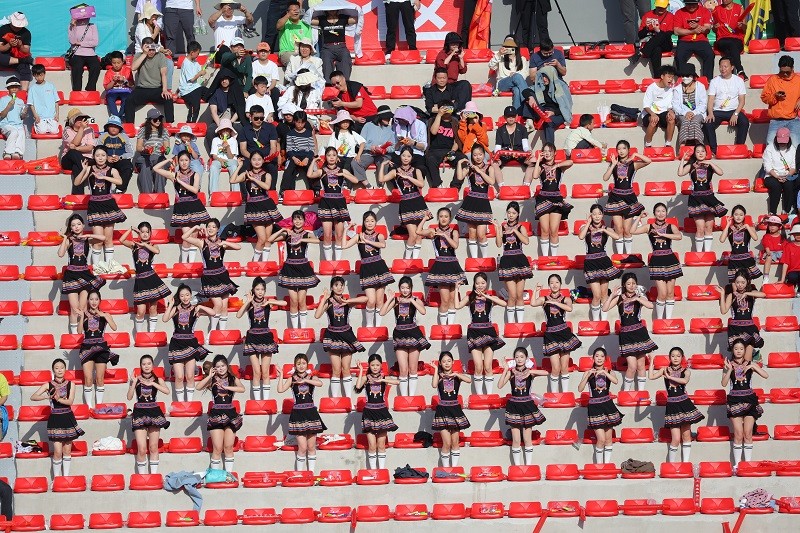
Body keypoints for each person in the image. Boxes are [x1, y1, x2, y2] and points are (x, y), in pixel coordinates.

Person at [182, 219, 241, 331]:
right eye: (208, 226)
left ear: (218, 229)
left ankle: (222, 332)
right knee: (218, 304)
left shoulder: (221, 242)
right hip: (210, 278)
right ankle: (213, 331)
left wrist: (225, 243)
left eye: (213, 227)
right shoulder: (202, 242)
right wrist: (195, 228)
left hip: (223, 276)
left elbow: (238, 247)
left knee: (224, 306)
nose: (210, 229)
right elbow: (184, 237)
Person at [603, 272, 658, 391]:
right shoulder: (619, 298)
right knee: (632, 366)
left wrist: (638, 298)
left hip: (640, 333)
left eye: (633, 283)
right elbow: (605, 308)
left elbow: (651, 306)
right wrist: (612, 295)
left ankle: (641, 393)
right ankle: (626, 392)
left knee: (641, 365)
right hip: (626, 335)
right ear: (624, 285)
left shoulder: (640, 297)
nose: (631, 286)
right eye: (629, 283)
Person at [30, 359, 84, 478]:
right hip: (55, 419)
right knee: (58, 451)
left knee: (67, 451)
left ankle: (65, 477)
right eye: (56, 368)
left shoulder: (71, 384)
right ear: (53, 370)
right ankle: (57, 478)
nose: (59, 370)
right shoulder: (48, 385)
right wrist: (46, 397)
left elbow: (70, 401)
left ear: (65, 369)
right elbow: (33, 397)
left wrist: (58, 399)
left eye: (62, 367)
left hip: (68, 418)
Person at [73, 147, 127, 268]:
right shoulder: (90, 169)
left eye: (103, 155)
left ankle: (109, 267)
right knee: (98, 240)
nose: (100, 158)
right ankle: (96, 267)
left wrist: (104, 177)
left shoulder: (112, 170)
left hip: (109, 205)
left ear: (107, 157)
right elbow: (76, 183)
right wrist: (83, 170)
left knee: (108, 239)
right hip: (94, 205)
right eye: (97, 155)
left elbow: (120, 182)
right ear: (94, 157)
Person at [649, 347, 704, 463]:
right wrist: (652, 361)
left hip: (685, 404)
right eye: (673, 356)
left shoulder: (686, 371)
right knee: (676, 438)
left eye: (678, 356)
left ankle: (686, 463)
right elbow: (651, 377)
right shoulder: (664, 370)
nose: (675, 358)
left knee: (686, 436)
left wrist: (669, 377)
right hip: (672, 406)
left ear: (682, 357)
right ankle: (672, 464)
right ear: (669, 357)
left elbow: (685, 381)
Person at [454, 273, 507, 394]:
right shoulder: (470, 297)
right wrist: (457, 289)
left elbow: (504, 303)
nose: (480, 285)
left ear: (486, 284)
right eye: (477, 283)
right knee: (478, 367)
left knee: (488, 367)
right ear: (474, 284)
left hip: (489, 332)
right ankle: (478, 395)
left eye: (483, 283)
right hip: (474, 333)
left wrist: (487, 296)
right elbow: (457, 306)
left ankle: (488, 395)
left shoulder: (490, 297)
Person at [315, 278, 367, 398]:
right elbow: (317, 315)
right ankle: (334, 399)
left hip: (347, 335)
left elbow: (366, 299)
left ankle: (348, 399)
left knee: (346, 369)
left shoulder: (347, 301)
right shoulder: (328, 302)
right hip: (332, 336)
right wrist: (324, 299)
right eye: (336, 285)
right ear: (332, 287)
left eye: (342, 285)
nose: (339, 287)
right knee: (336, 370)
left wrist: (348, 301)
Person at [380, 277, 431, 396]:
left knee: (413, 369)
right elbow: (382, 312)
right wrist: (390, 299)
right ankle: (403, 397)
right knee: (403, 369)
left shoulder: (415, 299)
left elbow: (423, 311)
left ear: (411, 288)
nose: (405, 290)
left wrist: (412, 301)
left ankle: (411, 396)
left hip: (414, 334)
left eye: (407, 288)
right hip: (399, 335)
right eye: (402, 288)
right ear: (399, 288)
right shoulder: (396, 300)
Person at [237, 277, 285, 400]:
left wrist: (270, 302)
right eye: (257, 289)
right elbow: (238, 315)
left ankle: (266, 401)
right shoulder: (250, 303)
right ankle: (257, 402)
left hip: (266, 338)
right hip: (252, 338)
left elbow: (284, 303)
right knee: (256, 372)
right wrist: (248, 301)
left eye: (262, 289)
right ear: (253, 290)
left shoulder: (268, 302)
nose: (260, 292)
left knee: (265, 372)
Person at [378, 146, 431, 258]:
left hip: (418, 202)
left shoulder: (416, 170)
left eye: (408, 156)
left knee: (419, 234)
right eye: (403, 155)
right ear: (400, 156)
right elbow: (381, 179)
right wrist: (382, 165)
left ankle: (415, 260)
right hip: (406, 204)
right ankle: (407, 260)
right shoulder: (395, 171)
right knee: (413, 235)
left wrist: (408, 177)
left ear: (412, 158)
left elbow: (421, 184)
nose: (406, 158)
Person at [632, 203, 684, 319]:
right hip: (657, 261)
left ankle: (668, 320)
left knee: (670, 293)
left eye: (663, 211)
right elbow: (632, 231)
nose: (661, 213)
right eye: (658, 211)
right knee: (662, 293)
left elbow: (679, 236)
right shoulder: (649, 227)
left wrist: (662, 234)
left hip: (671, 260)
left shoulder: (671, 226)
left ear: (666, 213)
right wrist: (639, 217)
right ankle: (659, 320)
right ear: (654, 213)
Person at [162, 284, 213, 401]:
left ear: (190, 295)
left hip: (191, 344)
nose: (185, 298)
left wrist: (201, 306)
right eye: (182, 295)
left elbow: (213, 312)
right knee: (179, 377)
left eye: (187, 295)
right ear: (179, 297)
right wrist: (171, 305)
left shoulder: (195, 308)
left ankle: (189, 402)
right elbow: (164, 319)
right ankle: (180, 403)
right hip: (176, 344)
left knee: (190, 376)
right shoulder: (176, 309)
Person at [531, 274, 582, 392]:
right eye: (552, 283)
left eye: (557, 282)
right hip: (550, 335)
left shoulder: (566, 299)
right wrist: (535, 290)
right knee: (555, 368)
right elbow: (533, 303)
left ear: (560, 284)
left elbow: (569, 308)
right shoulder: (544, 299)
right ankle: (554, 394)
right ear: (549, 285)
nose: (554, 285)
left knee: (564, 367)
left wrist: (555, 303)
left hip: (564, 334)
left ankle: (564, 393)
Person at [271, 210, 321, 328]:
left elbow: (317, 240)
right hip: (290, 269)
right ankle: (294, 330)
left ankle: (302, 329)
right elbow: (269, 240)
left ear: (304, 221)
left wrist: (302, 240)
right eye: (295, 219)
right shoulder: (287, 234)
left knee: (301, 301)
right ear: (292, 221)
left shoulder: (307, 234)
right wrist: (282, 230)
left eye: (300, 219)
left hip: (304, 269)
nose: (298, 221)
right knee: (293, 301)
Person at [498, 347, 548, 465]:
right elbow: (500, 385)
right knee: (516, 439)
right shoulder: (511, 372)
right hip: (514, 406)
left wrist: (531, 372)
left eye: (522, 357)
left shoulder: (530, 372)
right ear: (514, 359)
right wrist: (505, 369)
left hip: (527, 406)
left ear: (526, 358)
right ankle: (517, 466)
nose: (519, 359)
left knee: (527, 438)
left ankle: (528, 466)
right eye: (517, 357)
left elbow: (546, 372)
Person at [723, 339, 768, 468]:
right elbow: (724, 383)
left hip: (749, 400)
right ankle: (737, 465)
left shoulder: (750, 364)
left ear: (745, 351)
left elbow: (766, 375)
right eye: (736, 348)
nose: (738, 351)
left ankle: (747, 464)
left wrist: (754, 366)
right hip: (734, 401)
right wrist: (729, 370)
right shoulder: (728, 364)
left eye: (741, 349)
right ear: (732, 350)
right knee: (738, 433)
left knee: (748, 433)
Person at [278, 353, 327, 472]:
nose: (301, 366)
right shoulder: (292, 379)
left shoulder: (312, 377)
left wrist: (306, 380)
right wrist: (281, 376)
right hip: (298, 415)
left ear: (307, 364)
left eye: (304, 363)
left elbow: (320, 383)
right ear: (295, 365)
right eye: (299, 364)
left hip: (311, 414)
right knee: (302, 447)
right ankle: (299, 474)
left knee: (311, 447)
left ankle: (311, 473)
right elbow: (280, 390)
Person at [309, 147, 360, 260]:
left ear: (337, 157)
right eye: (329, 155)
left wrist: (344, 175)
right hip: (326, 203)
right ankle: (328, 262)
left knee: (339, 235)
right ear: (326, 157)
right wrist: (314, 161)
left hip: (339, 203)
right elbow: (309, 175)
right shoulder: (322, 171)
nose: (331, 157)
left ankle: (337, 262)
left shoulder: (342, 170)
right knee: (327, 235)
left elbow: (356, 180)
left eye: (334, 155)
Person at [343, 211, 394, 325]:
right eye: (367, 221)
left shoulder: (379, 235)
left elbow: (383, 245)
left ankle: (378, 327)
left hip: (380, 268)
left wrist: (366, 241)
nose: (369, 223)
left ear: (375, 222)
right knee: (371, 300)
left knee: (379, 301)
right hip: (366, 269)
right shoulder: (358, 236)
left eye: (372, 221)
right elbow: (344, 246)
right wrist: (346, 230)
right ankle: (369, 326)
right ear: (364, 222)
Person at [230, 153, 282, 262]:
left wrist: (253, 179)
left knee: (268, 239)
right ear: (250, 161)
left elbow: (267, 187)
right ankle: (255, 263)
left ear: (263, 161)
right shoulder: (246, 174)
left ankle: (264, 263)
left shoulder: (267, 175)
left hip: (267, 206)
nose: (257, 161)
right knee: (261, 238)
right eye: (254, 159)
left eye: (259, 159)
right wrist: (239, 166)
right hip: (254, 208)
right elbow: (232, 180)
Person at [197, 355, 245, 473]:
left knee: (228, 447)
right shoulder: (212, 379)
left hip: (230, 414)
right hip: (216, 415)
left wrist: (227, 387)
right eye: (218, 366)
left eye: (223, 366)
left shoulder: (232, 378)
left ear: (227, 366)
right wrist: (209, 376)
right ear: (214, 368)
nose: (221, 368)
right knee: (217, 448)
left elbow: (242, 389)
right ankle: (215, 475)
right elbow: (198, 387)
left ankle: (228, 474)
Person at [120, 223, 171, 333]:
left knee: (153, 308)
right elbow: (121, 240)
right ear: (139, 233)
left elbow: (157, 251)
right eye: (142, 232)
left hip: (151, 279)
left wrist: (144, 245)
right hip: (140, 280)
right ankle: (138, 334)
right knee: (141, 311)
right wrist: (130, 229)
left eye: (147, 232)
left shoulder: (153, 245)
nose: (144, 234)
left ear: (150, 233)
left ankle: (151, 333)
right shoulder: (134, 245)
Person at [602, 140, 651, 254]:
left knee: (627, 230)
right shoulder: (614, 163)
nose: (621, 151)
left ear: (628, 150)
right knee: (618, 229)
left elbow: (648, 161)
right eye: (619, 149)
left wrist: (635, 155)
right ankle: (620, 255)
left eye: (624, 148)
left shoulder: (633, 164)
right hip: (615, 198)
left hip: (629, 198)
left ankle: (627, 255)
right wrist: (613, 164)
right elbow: (605, 178)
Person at [58, 214, 105, 334]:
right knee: (74, 309)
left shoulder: (87, 239)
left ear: (83, 225)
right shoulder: (69, 240)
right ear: (70, 227)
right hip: (71, 276)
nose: (76, 227)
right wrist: (65, 238)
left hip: (84, 275)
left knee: (83, 308)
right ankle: (74, 335)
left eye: (79, 224)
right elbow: (60, 254)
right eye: (73, 225)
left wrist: (89, 235)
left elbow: (103, 238)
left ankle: (82, 334)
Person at [422, 207, 467, 324]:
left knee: (452, 300)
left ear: (450, 218)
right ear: (438, 218)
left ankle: (450, 326)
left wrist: (445, 235)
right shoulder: (433, 231)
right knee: (445, 300)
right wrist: (424, 219)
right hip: (441, 267)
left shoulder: (454, 232)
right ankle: (442, 327)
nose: (443, 219)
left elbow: (455, 245)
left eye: (446, 216)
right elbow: (418, 232)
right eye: (441, 216)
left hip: (453, 266)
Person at [578, 348, 622, 464]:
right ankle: (599, 465)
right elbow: (580, 389)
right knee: (601, 439)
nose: (599, 358)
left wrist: (605, 372)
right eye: (597, 356)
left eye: (602, 356)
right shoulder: (588, 372)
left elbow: (616, 381)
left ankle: (606, 465)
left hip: (608, 406)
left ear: (605, 359)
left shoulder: (609, 371)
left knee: (608, 439)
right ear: (593, 358)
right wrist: (588, 376)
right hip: (594, 407)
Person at [679, 144, 727, 252]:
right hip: (696, 199)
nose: (700, 153)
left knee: (709, 228)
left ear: (706, 153)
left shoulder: (709, 165)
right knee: (700, 228)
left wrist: (710, 162)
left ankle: (708, 253)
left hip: (709, 198)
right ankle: (700, 254)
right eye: (698, 151)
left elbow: (721, 172)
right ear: (695, 154)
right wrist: (683, 159)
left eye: (702, 151)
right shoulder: (691, 166)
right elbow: (680, 173)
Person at [355, 354, 399, 468]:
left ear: (381, 366)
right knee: (372, 445)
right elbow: (358, 386)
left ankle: (381, 470)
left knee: (381, 445)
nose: (375, 367)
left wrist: (383, 379)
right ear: (369, 365)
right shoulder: (366, 377)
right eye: (373, 365)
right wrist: (361, 370)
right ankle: (373, 470)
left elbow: (397, 382)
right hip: (369, 413)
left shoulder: (384, 377)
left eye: (377, 365)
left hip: (382, 412)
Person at [154, 152, 210, 242]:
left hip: (195, 206)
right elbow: (155, 168)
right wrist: (168, 160)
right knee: (187, 237)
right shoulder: (174, 175)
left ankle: (193, 252)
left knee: (194, 237)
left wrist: (180, 181)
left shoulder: (195, 174)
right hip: (182, 207)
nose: (184, 163)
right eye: (181, 160)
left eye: (186, 160)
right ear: (178, 162)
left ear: (190, 161)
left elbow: (195, 190)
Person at [128, 354, 170, 474]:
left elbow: (167, 391)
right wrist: (133, 383)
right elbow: (129, 397)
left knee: (153, 447)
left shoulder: (158, 379)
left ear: (153, 365)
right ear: (140, 366)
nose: (146, 366)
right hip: (139, 413)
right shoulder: (136, 379)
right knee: (141, 449)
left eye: (149, 363)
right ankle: (142, 477)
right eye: (144, 364)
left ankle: (154, 476)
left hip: (154, 412)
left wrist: (153, 384)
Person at [77, 291, 120, 408]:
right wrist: (82, 317)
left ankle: (99, 406)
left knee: (100, 378)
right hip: (87, 348)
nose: (94, 302)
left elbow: (114, 327)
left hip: (101, 348)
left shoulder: (105, 314)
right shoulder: (83, 314)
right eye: (91, 299)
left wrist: (104, 315)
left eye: (96, 299)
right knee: (88, 378)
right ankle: (89, 407)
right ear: (88, 301)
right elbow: (79, 332)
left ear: (100, 300)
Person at [579, 205, 622, 321]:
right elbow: (581, 236)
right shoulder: (585, 227)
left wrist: (604, 230)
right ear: (591, 215)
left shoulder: (606, 228)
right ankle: (595, 321)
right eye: (594, 214)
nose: (597, 216)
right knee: (596, 295)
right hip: (590, 263)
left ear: (602, 215)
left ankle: (603, 322)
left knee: (604, 295)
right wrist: (588, 223)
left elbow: (617, 236)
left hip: (603, 262)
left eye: (599, 214)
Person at [530, 142, 573, 256]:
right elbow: (535, 176)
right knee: (544, 230)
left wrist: (557, 166)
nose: (547, 153)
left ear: (554, 153)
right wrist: (538, 161)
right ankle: (545, 257)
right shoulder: (541, 166)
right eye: (545, 151)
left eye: (549, 151)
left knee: (554, 231)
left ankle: (554, 257)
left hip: (556, 200)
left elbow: (571, 162)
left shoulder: (560, 167)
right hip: (543, 199)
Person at [431, 351, 471, 467]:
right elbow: (434, 385)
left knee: (455, 442)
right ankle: (445, 469)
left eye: (449, 361)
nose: (447, 363)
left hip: (455, 411)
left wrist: (456, 374)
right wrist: (435, 370)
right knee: (447, 443)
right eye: (444, 361)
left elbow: (469, 380)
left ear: (453, 362)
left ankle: (454, 468)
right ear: (440, 363)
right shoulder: (439, 376)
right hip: (442, 411)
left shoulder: (457, 376)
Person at [494, 202, 532, 323]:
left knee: (519, 295)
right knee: (512, 295)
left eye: (513, 213)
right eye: (509, 212)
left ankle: (519, 324)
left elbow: (526, 241)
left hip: (520, 261)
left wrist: (515, 231)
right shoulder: (503, 227)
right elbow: (498, 244)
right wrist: (497, 229)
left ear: (517, 214)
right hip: (507, 261)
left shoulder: (521, 227)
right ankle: (510, 324)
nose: (511, 215)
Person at [455, 145, 496, 258]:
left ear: (484, 155)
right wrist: (459, 163)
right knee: (472, 234)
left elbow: (492, 181)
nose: (478, 157)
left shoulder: (489, 168)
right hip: (471, 202)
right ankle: (474, 259)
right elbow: (459, 177)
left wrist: (480, 172)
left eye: (480, 154)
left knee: (481, 234)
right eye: (475, 155)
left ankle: (484, 259)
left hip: (483, 202)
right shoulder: (470, 168)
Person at [704, 57, 749, 155]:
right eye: (721, 67)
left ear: (732, 67)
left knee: (744, 122)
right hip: (717, 111)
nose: (723, 69)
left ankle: (739, 147)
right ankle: (713, 150)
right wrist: (710, 113)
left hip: (733, 110)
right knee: (708, 123)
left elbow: (742, 101)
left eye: (725, 66)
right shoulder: (715, 81)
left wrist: (736, 114)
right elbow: (711, 99)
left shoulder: (738, 80)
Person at [718, 269, 765, 363]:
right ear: (734, 282)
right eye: (737, 282)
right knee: (739, 362)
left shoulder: (752, 293)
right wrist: (722, 295)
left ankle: (753, 356)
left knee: (746, 362)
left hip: (750, 329)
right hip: (736, 330)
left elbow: (763, 294)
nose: (740, 285)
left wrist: (746, 293)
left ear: (747, 281)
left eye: (743, 282)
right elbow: (723, 311)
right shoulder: (732, 295)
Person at [126, 37, 175, 125]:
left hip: (157, 88)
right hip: (142, 89)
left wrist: (164, 89)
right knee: (129, 100)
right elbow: (133, 68)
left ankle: (169, 124)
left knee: (168, 98)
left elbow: (163, 74)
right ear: (143, 48)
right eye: (149, 49)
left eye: (153, 49)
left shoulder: (160, 56)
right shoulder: (139, 55)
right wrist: (145, 53)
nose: (151, 52)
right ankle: (129, 125)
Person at [522, 67, 572, 146]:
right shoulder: (540, 85)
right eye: (543, 77)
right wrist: (530, 97)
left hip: (558, 113)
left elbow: (566, 106)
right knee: (529, 98)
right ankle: (529, 121)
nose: (544, 79)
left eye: (546, 77)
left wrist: (553, 112)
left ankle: (549, 147)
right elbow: (525, 91)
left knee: (548, 122)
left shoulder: (562, 87)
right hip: (544, 111)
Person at [351, 106, 396, 187]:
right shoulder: (368, 126)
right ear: (380, 117)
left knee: (385, 164)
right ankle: (368, 186)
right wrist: (371, 147)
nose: (389, 119)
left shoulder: (390, 129)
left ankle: (381, 186)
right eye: (386, 117)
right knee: (355, 162)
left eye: (389, 117)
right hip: (368, 153)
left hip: (383, 155)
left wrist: (385, 150)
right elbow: (360, 142)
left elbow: (393, 147)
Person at [760, 56, 800, 146]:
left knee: (797, 145)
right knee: (770, 145)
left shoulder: (798, 80)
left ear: (793, 68)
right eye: (782, 72)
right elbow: (764, 98)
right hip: (776, 120)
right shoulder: (773, 80)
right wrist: (775, 96)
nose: (785, 74)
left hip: (793, 119)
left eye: (787, 72)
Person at [237, 105, 279, 184]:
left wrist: (269, 157)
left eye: (261, 118)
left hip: (266, 157)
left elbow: (273, 146)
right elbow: (243, 149)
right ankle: (244, 191)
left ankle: (272, 190)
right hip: (250, 157)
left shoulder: (270, 127)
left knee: (272, 167)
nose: (259, 120)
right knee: (243, 167)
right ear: (250, 117)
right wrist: (254, 159)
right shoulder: (244, 129)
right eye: (256, 118)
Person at [673, 0, 715, 79]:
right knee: (679, 56)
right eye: (689, 4)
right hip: (684, 41)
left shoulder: (705, 11)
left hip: (701, 40)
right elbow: (676, 31)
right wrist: (692, 31)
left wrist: (698, 26)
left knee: (710, 54)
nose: (691, 6)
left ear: (697, 3)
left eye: (693, 4)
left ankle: (707, 79)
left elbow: (707, 29)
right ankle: (681, 78)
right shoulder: (679, 12)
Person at [279, 111, 318, 196]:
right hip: (294, 156)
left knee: (313, 168)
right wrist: (293, 158)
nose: (300, 125)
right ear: (294, 121)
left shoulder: (308, 133)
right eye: (298, 122)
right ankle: (284, 191)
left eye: (302, 123)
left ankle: (316, 189)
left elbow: (311, 148)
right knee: (288, 170)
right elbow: (289, 149)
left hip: (306, 156)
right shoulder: (290, 134)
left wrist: (307, 158)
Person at [720, 205, 762, 283]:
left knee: (746, 284)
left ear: (744, 216)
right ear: (732, 216)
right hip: (734, 260)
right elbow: (722, 240)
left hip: (746, 259)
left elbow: (755, 238)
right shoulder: (730, 229)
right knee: (734, 284)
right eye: (736, 214)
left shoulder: (749, 228)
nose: (738, 217)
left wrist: (747, 226)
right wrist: (727, 225)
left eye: (741, 215)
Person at [489, 36, 532, 109]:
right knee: (516, 76)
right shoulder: (500, 58)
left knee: (517, 90)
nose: (508, 48)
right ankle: (529, 99)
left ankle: (517, 112)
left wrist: (515, 75)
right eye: (506, 45)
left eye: (511, 46)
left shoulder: (522, 59)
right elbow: (491, 66)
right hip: (502, 84)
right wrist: (499, 54)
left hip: (516, 84)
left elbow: (524, 75)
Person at [312, 9, 356, 81]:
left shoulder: (342, 18)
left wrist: (353, 8)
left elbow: (356, 19)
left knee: (346, 60)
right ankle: (328, 84)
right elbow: (307, 19)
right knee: (326, 64)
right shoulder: (322, 19)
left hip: (341, 47)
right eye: (330, 9)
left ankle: (344, 82)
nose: (332, 11)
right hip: (327, 48)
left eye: (334, 9)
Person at [762, 127, 799, 215]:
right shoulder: (770, 148)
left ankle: (786, 210)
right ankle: (772, 211)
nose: (782, 144)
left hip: (787, 174)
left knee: (789, 185)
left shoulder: (792, 149)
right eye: (780, 142)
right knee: (776, 186)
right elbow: (767, 165)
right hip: (772, 175)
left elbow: (794, 167)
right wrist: (777, 176)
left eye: (784, 142)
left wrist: (788, 175)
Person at [634, 0, 675, 78]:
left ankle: (642, 52)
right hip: (652, 44)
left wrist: (658, 31)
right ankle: (657, 77)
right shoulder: (647, 15)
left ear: (667, 6)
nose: (660, 9)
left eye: (662, 7)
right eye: (658, 7)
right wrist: (647, 28)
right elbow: (640, 35)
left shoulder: (670, 16)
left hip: (665, 44)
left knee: (661, 36)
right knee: (656, 49)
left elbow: (668, 35)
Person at [60, 108, 96, 194]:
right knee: (73, 152)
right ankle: (90, 169)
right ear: (72, 121)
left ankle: (77, 195)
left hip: (84, 160)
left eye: (83, 118)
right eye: (78, 118)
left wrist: (76, 148)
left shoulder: (89, 130)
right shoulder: (67, 131)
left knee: (77, 167)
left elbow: (90, 147)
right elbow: (75, 143)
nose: (81, 120)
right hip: (69, 160)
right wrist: (81, 129)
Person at [135, 109, 170, 194]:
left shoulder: (164, 131)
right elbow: (138, 147)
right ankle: (147, 194)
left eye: (160, 119)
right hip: (145, 157)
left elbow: (167, 148)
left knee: (160, 168)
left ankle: (160, 193)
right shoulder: (143, 130)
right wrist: (144, 149)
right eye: (155, 119)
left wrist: (166, 149)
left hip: (159, 157)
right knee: (145, 168)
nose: (158, 121)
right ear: (149, 120)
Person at [96, 116, 134, 194]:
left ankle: (119, 189)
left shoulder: (124, 136)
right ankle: (102, 190)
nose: (114, 129)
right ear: (108, 127)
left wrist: (120, 157)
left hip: (120, 159)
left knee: (128, 167)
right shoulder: (102, 136)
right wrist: (106, 157)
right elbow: (97, 151)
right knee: (101, 167)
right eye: (111, 126)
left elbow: (131, 153)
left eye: (116, 126)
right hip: (106, 160)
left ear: (119, 128)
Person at [672, 64, 707, 147]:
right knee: (685, 122)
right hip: (682, 113)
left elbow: (703, 104)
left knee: (695, 122)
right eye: (683, 76)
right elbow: (675, 105)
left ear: (693, 76)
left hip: (698, 113)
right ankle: (682, 147)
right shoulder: (677, 89)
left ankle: (699, 146)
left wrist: (693, 113)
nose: (685, 78)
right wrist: (685, 113)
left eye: (687, 76)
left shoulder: (700, 87)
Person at [642, 65, 677, 147]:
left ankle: (668, 144)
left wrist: (671, 111)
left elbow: (669, 106)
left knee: (671, 119)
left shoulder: (671, 89)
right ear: (662, 76)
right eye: (669, 77)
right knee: (653, 120)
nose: (671, 79)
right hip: (650, 112)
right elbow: (646, 106)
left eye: (672, 77)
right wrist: (652, 114)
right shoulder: (652, 87)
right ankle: (648, 144)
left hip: (663, 113)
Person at [712, 0, 747, 79]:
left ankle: (731, 75)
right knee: (730, 44)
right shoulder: (717, 9)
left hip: (736, 38)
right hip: (722, 39)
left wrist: (742, 26)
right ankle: (740, 70)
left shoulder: (739, 8)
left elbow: (745, 28)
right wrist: (715, 27)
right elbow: (714, 29)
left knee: (730, 47)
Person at [67, 11, 100, 91]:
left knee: (96, 66)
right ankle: (77, 90)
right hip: (77, 53)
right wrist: (73, 27)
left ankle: (90, 88)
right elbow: (72, 41)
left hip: (91, 54)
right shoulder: (71, 26)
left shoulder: (93, 26)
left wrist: (80, 43)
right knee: (77, 67)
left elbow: (95, 42)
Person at [326, 111, 366, 175]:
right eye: (343, 122)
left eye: (347, 121)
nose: (345, 124)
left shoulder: (353, 133)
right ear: (339, 123)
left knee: (348, 169)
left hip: (351, 157)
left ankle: (347, 181)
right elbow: (331, 147)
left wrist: (358, 155)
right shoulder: (334, 134)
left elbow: (362, 143)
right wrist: (335, 156)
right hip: (338, 157)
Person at [0, 12, 32, 91]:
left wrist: (20, 46)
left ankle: (23, 92)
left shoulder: (26, 33)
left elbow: (26, 50)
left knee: (25, 68)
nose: (17, 27)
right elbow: (0, 48)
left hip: (17, 58)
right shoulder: (3, 29)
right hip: (4, 57)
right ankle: (23, 60)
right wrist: (9, 45)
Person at [27, 65, 61, 135]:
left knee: (54, 131)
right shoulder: (32, 89)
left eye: (41, 75)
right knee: (41, 132)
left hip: (51, 115)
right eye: (37, 76)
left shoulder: (51, 86)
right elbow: (31, 104)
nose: (39, 77)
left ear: (44, 74)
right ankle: (38, 126)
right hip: (40, 117)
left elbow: (56, 101)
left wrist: (57, 114)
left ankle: (49, 126)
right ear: (33, 75)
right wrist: (35, 115)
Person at [392, 106, 427, 174]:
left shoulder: (421, 125)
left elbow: (424, 147)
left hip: (416, 153)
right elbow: (394, 147)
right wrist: (399, 143)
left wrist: (413, 143)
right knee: (392, 168)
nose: (401, 121)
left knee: (421, 169)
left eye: (403, 119)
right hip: (400, 153)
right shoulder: (396, 125)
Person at [208, 118, 239, 194]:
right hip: (218, 160)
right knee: (213, 167)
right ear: (220, 132)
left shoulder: (233, 141)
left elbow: (231, 157)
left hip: (230, 160)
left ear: (230, 131)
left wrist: (227, 147)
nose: (225, 132)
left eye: (227, 130)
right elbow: (214, 155)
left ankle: (236, 193)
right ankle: (213, 193)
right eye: (223, 130)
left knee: (234, 167)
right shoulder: (215, 140)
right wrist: (220, 160)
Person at [276, 1, 313, 66]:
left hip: (302, 53)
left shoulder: (305, 25)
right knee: (294, 62)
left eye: (297, 10)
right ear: (287, 12)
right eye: (293, 10)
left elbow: (308, 42)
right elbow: (278, 26)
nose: (295, 12)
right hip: (287, 52)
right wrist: (288, 15)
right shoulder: (285, 23)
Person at [177, 41, 205, 123]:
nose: (198, 55)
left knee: (210, 93)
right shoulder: (186, 63)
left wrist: (206, 64)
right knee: (195, 105)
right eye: (197, 53)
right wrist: (200, 73)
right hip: (187, 91)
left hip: (195, 88)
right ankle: (191, 122)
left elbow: (200, 69)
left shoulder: (194, 61)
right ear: (192, 52)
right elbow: (192, 79)